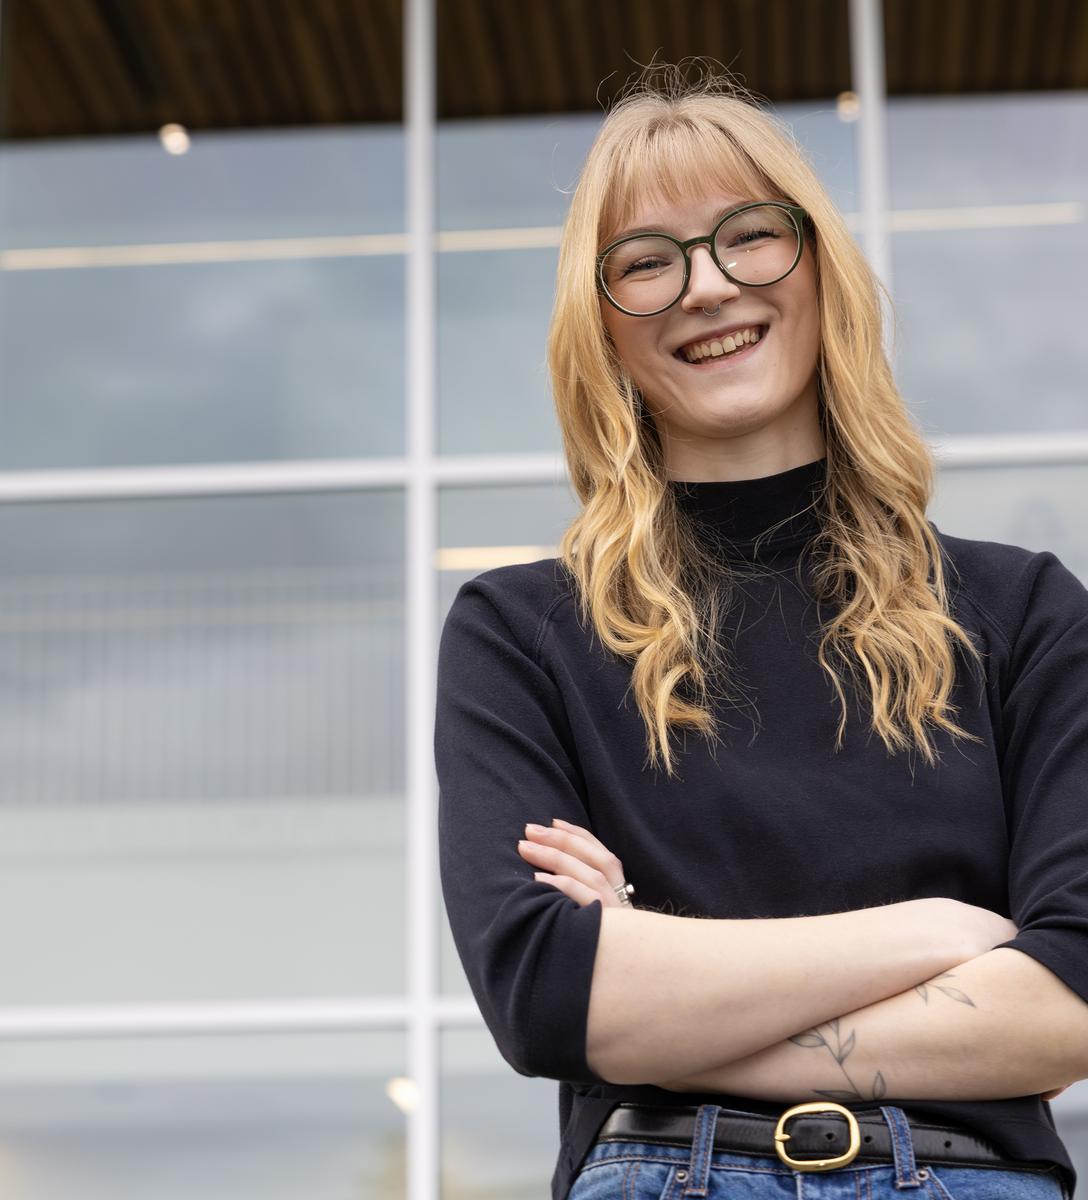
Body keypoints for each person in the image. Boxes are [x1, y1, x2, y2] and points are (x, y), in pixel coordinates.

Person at [434, 63, 1088, 1200]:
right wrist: (943, 930)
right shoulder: (521, 632)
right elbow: (544, 992)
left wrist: (654, 988)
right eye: (647, 262)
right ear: (604, 330)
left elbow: (1072, 1002)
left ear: (820, 270)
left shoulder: (1023, 613)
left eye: (749, 237)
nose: (706, 287)